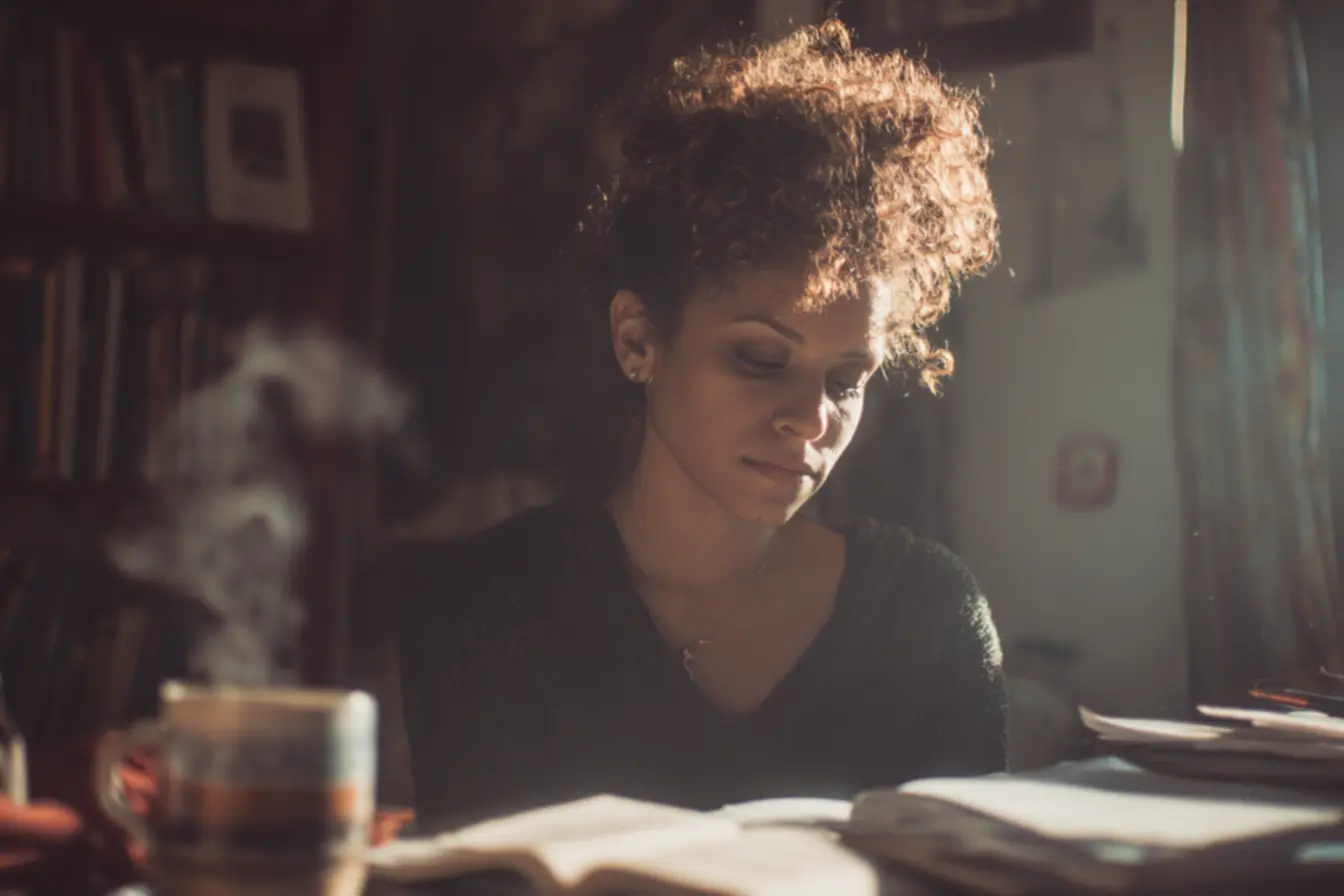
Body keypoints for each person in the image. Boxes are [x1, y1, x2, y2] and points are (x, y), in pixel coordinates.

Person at [390, 18, 1004, 833]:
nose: (812, 418)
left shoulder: (926, 619)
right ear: (638, 339)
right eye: (759, 358)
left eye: (847, 378)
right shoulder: (487, 610)